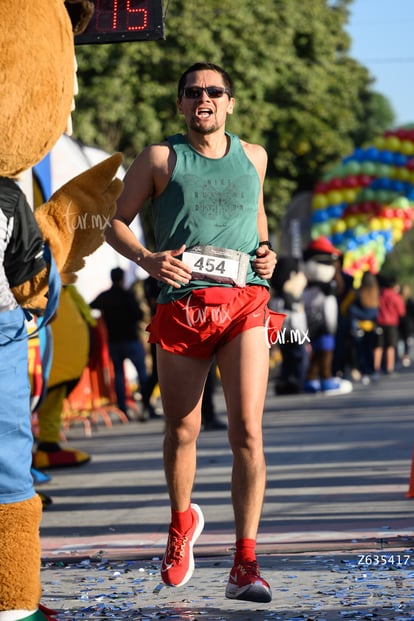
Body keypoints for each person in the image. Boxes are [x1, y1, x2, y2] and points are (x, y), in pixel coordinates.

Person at [105, 62, 278, 603]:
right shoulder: (160, 158)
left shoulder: (254, 157)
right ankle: (182, 525)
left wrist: (267, 257)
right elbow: (115, 223)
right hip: (182, 306)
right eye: (192, 92)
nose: (203, 98)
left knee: (247, 431)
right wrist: (149, 260)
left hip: (244, 303)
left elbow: (259, 225)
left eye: (214, 91)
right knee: (183, 429)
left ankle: (245, 563)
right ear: (180, 105)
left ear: (230, 102)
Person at [91, 267, 156, 420]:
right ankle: (147, 405)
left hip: (114, 341)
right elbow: (139, 314)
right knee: (142, 374)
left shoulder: (105, 296)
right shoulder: (128, 295)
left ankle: (123, 408)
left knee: (119, 375)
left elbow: (91, 305)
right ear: (122, 278)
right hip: (131, 339)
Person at [373, 274, 406, 377]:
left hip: (379, 323)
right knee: (390, 347)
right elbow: (401, 312)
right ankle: (389, 368)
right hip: (391, 324)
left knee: (378, 346)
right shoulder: (395, 296)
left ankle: (376, 368)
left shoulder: (379, 294)